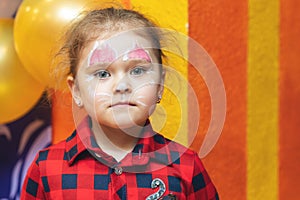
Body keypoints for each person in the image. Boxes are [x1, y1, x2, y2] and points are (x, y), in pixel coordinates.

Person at [21, 6, 219, 200]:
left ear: (159, 85)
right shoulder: (46, 169)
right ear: (77, 90)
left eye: (138, 71)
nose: (122, 86)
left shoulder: (186, 167)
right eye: (103, 73)